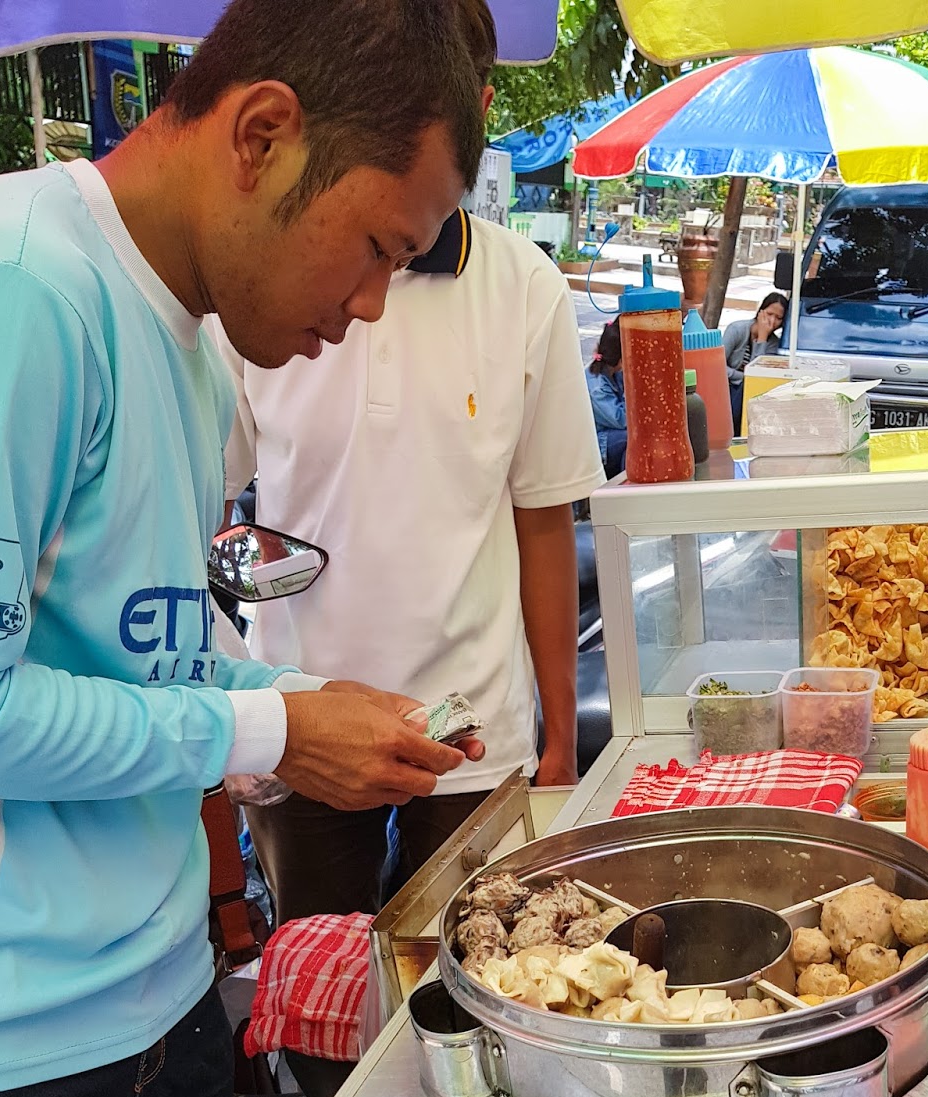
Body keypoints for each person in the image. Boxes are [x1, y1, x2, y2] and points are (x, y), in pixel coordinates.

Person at [0, 2, 487, 1097]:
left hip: (157, 1010)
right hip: (8, 1051)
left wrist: (301, 724)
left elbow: (149, 657)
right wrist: (266, 723)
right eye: (376, 247)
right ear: (263, 133)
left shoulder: (204, 360)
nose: (371, 302)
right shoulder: (20, 295)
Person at [217, 0, 605, 937]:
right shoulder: (267, 285)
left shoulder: (524, 287)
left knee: (475, 970)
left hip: (474, 734)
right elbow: (204, 504)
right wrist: (242, 713)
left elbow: (544, 519)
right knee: (316, 978)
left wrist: (557, 741)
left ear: (477, 107)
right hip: (303, 721)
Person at [723, 290, 788, 430]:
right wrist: (742, 377)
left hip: (746, 390)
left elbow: (757, 374)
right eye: (769, 314)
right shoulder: (736, 329)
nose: (772, 321)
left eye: (778, 318)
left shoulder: (773, 343)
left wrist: (762, 338)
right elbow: (718, 366)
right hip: (726, 385)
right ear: (760, 312)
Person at [586, 319, 627, 478]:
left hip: (610, 434)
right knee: (632, 438)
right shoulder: (597, 388)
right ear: (620, 360)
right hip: (600, 443)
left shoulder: (613, 373)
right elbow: (622, 420)